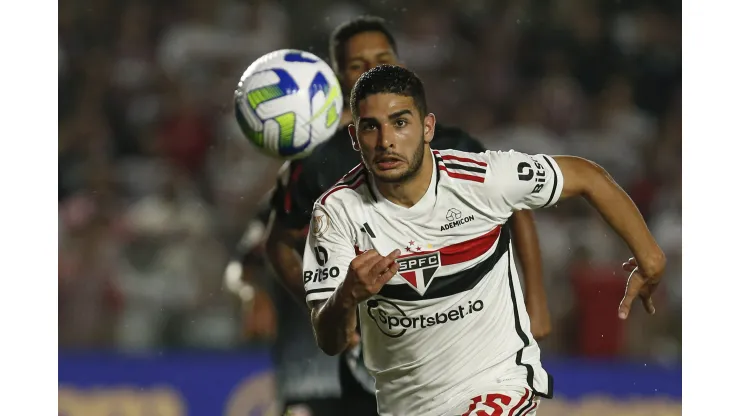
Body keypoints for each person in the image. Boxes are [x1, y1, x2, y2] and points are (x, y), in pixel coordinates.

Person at [229, 16, 550, 415]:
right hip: (330, 365)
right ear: (338, 82)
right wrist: (325, 302)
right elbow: (278, 243)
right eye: (355, 64)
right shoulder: (316, 162)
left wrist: (535, 298)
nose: (371, 69)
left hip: (430, 347)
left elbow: (514, 207)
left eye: (383, 58)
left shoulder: (452, 146)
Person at [303, 64, 665, 416]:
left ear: (427, 127)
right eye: (371, 127)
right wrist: (347, 295)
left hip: (499, 382)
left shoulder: (482, 180)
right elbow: (330, 341)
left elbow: (587, 176)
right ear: (354, 138)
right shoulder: (337, 213)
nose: (386, 141)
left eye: (400, 123)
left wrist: (650, 257)